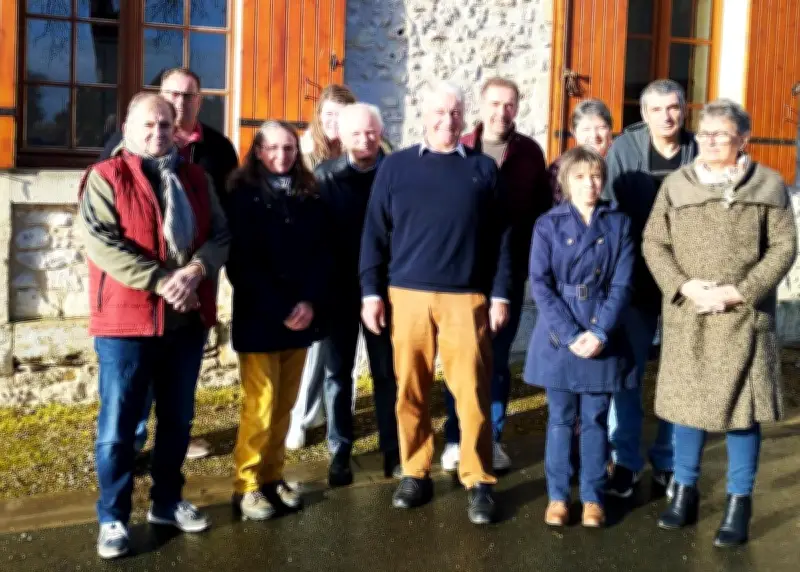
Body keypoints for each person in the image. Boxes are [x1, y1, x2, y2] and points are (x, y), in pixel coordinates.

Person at [79, 93, 230, 559]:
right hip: (126, 324)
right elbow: (102, 243)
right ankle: (113, 517)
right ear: (127, 127)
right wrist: (164, 281)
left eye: (165, 125)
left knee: (178, 421)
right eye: (147, 124)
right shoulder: (106, 176)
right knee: (118, 428)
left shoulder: (196, 178)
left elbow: (220, 235)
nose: (157, 133)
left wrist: (197, 270)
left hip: (185, 323)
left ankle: (166, 503)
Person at [642, 100, 796, 547]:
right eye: (704, 134)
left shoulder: (768, 185)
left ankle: (738, 502)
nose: (709, 141)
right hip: (689, 315)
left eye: (720, 134)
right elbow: (654, 242)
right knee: (687, 407)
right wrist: (685, 287)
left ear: (743, 139)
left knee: (742, 415)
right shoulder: (677, 184)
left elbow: (784, 247)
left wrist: (740, 292)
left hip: (744, 317)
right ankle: (684, 492)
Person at [360, 81, 513, 525]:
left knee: (472, 392)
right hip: (407, 295)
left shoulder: (483, 168)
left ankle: (478, 478)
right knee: (410, 389)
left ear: (465, 116)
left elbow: (502, 238)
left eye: (455, 112)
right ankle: (415, 471)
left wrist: (500, 292)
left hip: (466, 297)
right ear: (423, 115)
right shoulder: (396, 167)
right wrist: (370, 291)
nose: (448, 120)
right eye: (439, 112)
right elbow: (374, 232)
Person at [102, 67, 239, 460]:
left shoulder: (217, 148)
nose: (179, 102)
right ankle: (133, 443)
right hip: (142, 282)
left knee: (180, 369)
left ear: (200, 100)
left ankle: (175, 439)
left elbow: (226, 213)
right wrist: (162, 279)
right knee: (138, 369)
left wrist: (198, 271)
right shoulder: (128, 142)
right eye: (172, 94)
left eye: (188, 95)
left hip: (195, 278)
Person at [440, 77, 550, 472]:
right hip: (462, 274)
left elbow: (541, 214)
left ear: (517, 108)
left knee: (498, 360)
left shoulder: (529, 154)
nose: (501, 112)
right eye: (494, 103)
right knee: (460, 359)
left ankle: (492, 438)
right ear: (481, 106)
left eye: (509, 104)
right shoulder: (460, 149)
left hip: (509, 274)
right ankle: (455, 438)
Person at [525, 146, 635, 528]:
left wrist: (600, 331)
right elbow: (540, 284)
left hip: (603, 329)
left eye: (596, 176)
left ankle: (592, 497)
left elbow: (622, 284)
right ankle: (557, 496)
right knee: (559, 417)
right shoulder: (548, 224)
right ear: (566, 181)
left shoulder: (619, 223)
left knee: (595, 418)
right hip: (560, 332)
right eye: (580, 177)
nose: (590, 184)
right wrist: (571, 333)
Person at [225, 121, 328, 521]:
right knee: (261, 405)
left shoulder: (308, 194)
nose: (281, 156)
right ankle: (246, 484)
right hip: (261, 317)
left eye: (288, 148)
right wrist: (282, 307)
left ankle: (273, 476)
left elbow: (321, 254)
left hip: (301, 317)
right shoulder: (241, 196)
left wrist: (310, 302)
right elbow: (241, 264)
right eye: (272, 148)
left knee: (285, 405)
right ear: (257, 151)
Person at [604, 79, 698, 498]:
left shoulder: (699, 151)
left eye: (673, 107)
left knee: (680, 375)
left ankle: (668, 461)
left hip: (686, 283)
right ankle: (626, 461)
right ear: (643, 115)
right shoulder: (624, 150)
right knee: (628, 373)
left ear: (684, 109)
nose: (666, 116)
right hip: (635, 282)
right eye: (657, 109)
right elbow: (607, 211)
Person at [314, 103, 401, 486]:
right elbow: (316, 237)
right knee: (337, 374)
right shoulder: (325, 176)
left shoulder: (396, 173)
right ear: (341, 136)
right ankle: (339, 452)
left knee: (386, 373)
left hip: (384, 289)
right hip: (339, 290)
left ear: (380, 133)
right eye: (356, 133)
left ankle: (392, 450)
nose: (365, 139)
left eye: (371, 132)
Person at [287, 84, 359, 450]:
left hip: (350, 264)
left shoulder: (358, 151)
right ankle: (300, 417)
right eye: (328, 114)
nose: (333, 122)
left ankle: (336, 414)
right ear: (319, 116)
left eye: (340, 115)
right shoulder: (304, 155)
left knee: (345, 352)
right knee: (315, 347)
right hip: (315, 263)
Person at [549, 99, 614, 203]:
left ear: (610, 130)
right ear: (574, 132)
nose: (594, 135)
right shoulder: (560, 168)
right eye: (586, 129)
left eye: (601, 128)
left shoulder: (621, 163)